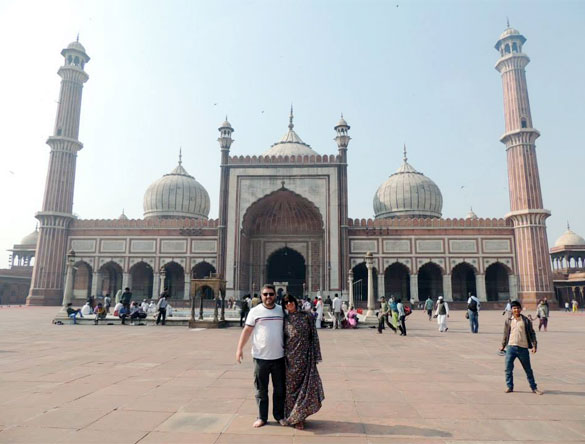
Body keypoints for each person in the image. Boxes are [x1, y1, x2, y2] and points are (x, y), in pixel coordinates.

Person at [236, 284, 286, 428]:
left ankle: (279, 416)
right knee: (261, 389)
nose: (268, 297)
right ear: (261, 295)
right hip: (260, 357)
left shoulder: (281, 311)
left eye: (271, 294)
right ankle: (262, 417)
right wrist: (239, 349)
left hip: (279, 357)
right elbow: (247, 331)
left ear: (276, 295)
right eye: (265, 294)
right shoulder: (254, 311)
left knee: (280, 389)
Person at [281, 294, 324, 429]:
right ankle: (291, 415)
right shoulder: (284, 319)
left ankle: (300, 417)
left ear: (295, 302)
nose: (289, 304)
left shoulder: (307, 316)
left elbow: (314, 336)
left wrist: (316, 354)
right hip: (289, 358)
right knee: (290, 388)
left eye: (291, 301)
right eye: (286, 303)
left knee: (305, 387)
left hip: (305, 357)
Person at [500, 301, 542, 395]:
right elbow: (505, 334)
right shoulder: (508, 321)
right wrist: (503, 345)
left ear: (520, 309)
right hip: (511, 347)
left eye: (518, 308)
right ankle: (509, 386)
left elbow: (532, 333)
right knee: (508, 368)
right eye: (514, 308)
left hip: (523, 348)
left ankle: (534, 387)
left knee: (528, 369)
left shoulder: (526, 320)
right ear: (511, 309)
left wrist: (534, 345)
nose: (516, 310)